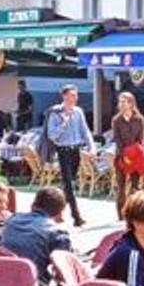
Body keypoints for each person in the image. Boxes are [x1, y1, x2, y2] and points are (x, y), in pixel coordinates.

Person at [0, 187, 72, 286]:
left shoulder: (12, 220)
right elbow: (64, 271)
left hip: (1, 284)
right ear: (61, 212)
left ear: (33, 205)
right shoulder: (58, 233)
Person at [45, 84, 95, 227]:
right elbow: (51, 135)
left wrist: (91, 148)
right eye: (72, 95)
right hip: (63, 151)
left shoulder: (78, 112)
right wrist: (63, 124)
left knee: (68, 184)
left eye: (76, 95)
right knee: (69, 185)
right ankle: (76, 216)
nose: (75, 98)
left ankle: (55, 211)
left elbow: (85, 131)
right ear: (64, 96)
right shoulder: (55, 113)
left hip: (75, 150)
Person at [110, 92, 144, 220]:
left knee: (135, 186)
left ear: (131, 103)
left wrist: (136, 155)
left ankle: (135, 213)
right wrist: (124, 155)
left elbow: (141, 140)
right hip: (121, 156)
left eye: (124, 101)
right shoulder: (116, 120)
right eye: (120, 101)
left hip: (136, 156)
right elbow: (117, 140)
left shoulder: (139, 119)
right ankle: (121, 215)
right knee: (121, 186)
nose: (121, 104)